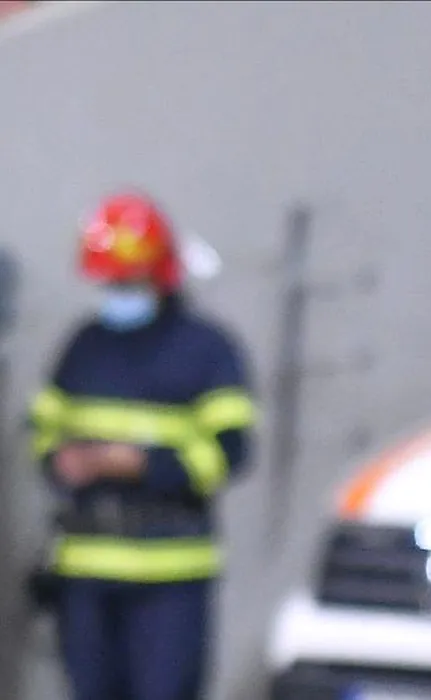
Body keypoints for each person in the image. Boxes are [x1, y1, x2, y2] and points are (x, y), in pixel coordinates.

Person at [27, 192, 257, 700]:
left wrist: (143, 465)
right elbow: (44, 427)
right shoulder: (84, 346)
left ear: (161, 275)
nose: (118, 293)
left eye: (129, 282)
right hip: (86, 570)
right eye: (111, 282)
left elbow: (231, 451)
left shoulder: (206, 350)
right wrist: (59, 460)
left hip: (169, 574)